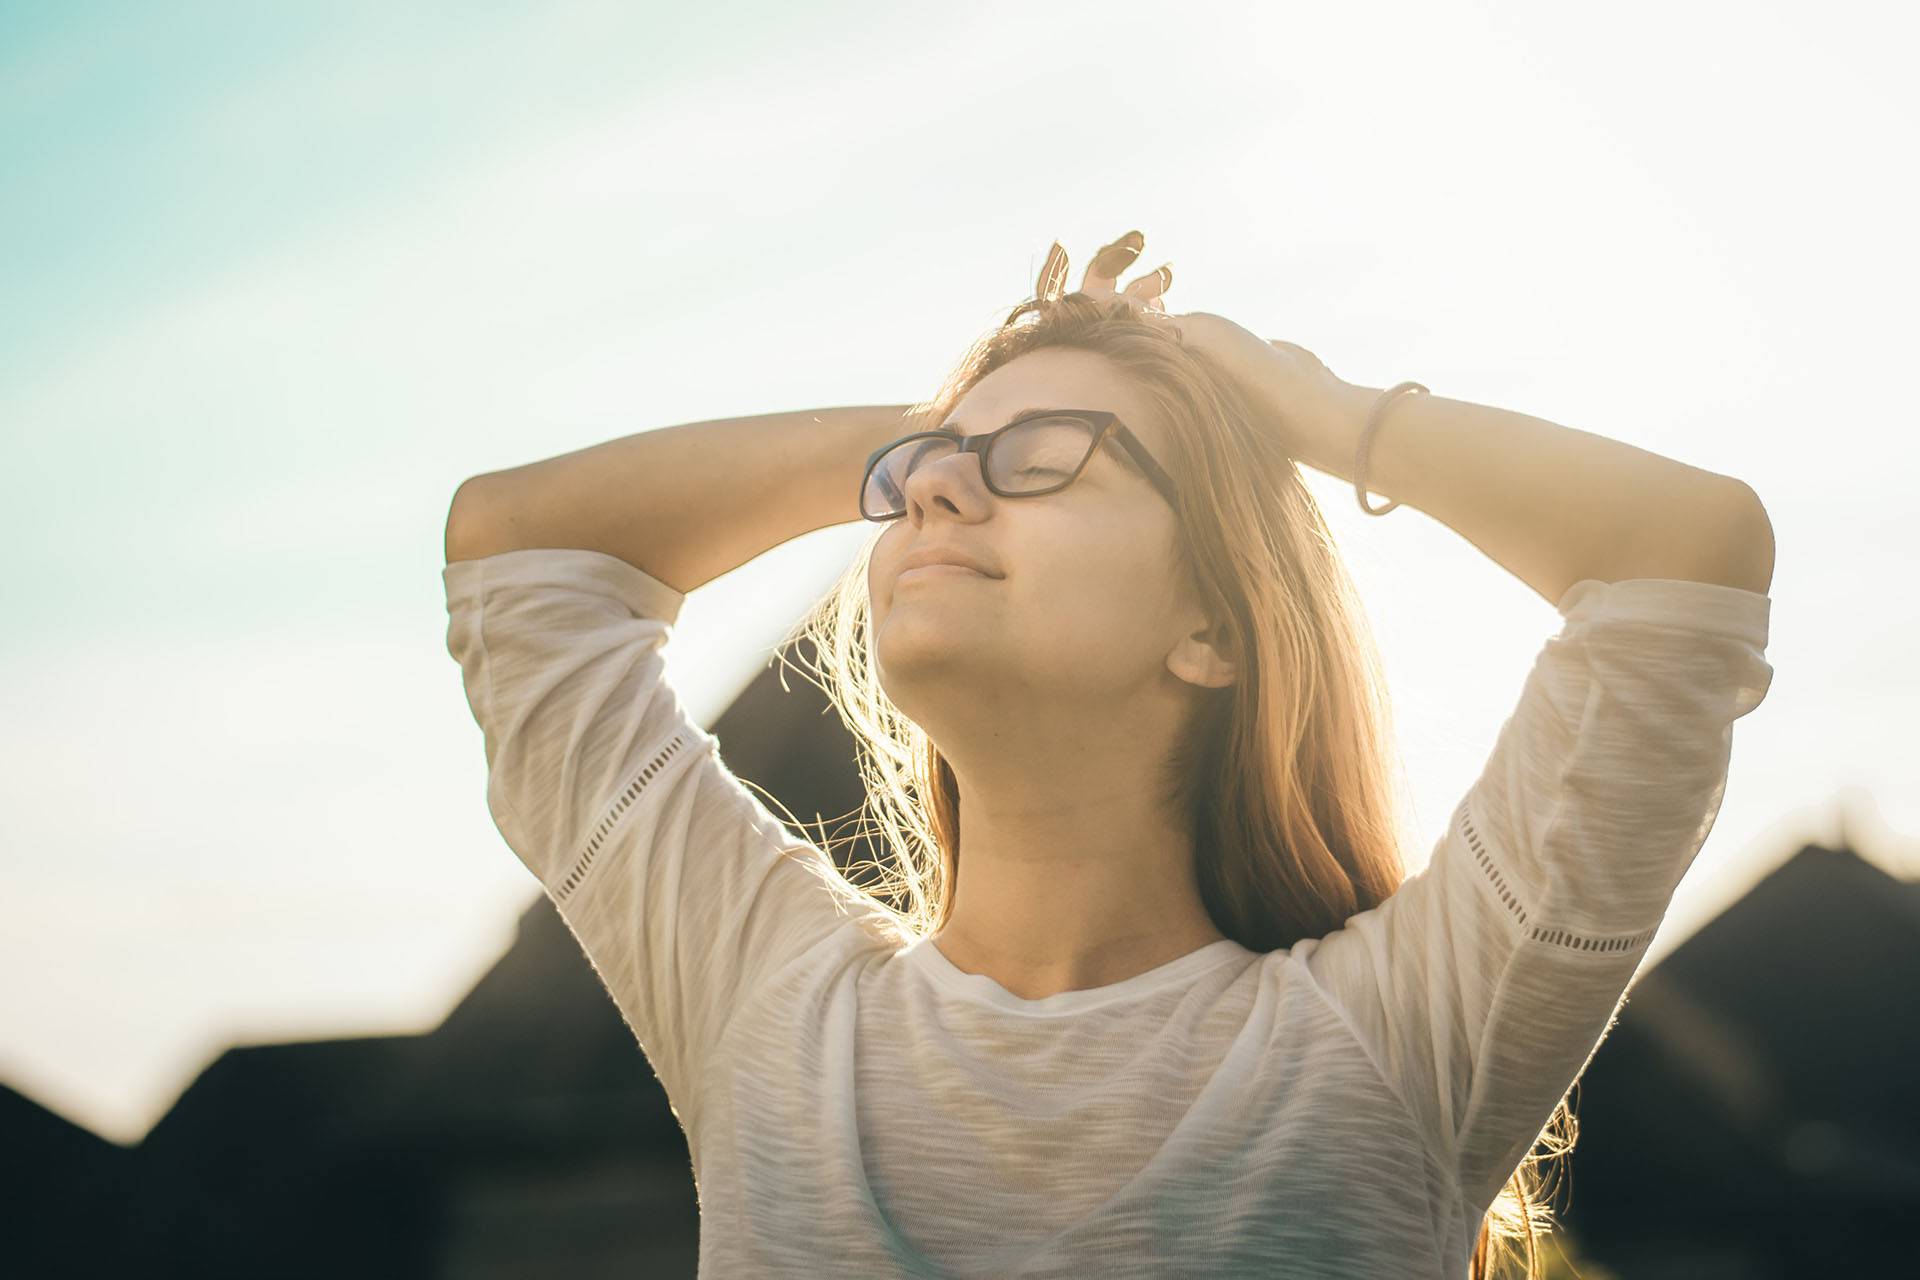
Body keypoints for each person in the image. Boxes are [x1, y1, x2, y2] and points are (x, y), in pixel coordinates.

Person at [442, 230, 1775, 1278]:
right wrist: (934, 427)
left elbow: (1683, 557)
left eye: (1045, 460)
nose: (939, 490)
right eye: (921, 475)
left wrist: (1314, 413)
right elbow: (517, 549)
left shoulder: (1400, 1036)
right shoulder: (769, 1007)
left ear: (1214, 625)